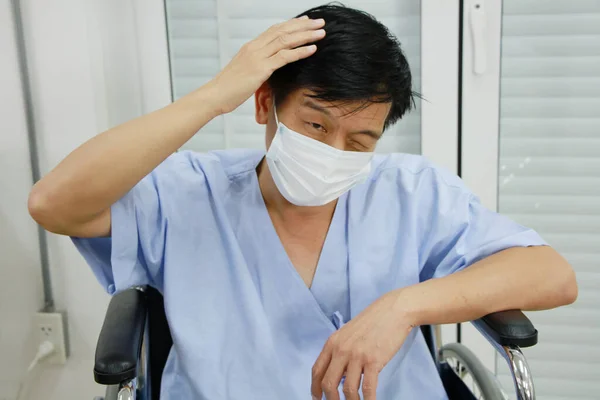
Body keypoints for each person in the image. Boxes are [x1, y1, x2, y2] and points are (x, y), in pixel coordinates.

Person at [28, 4, 577, 400]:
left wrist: (404, 306)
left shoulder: (411, 192)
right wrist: (215, 96)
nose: (334, 152)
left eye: (360, 141)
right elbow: (54, 203)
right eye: (315, 125)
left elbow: (551, 275)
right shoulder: (187, 192)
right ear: (266, 103)